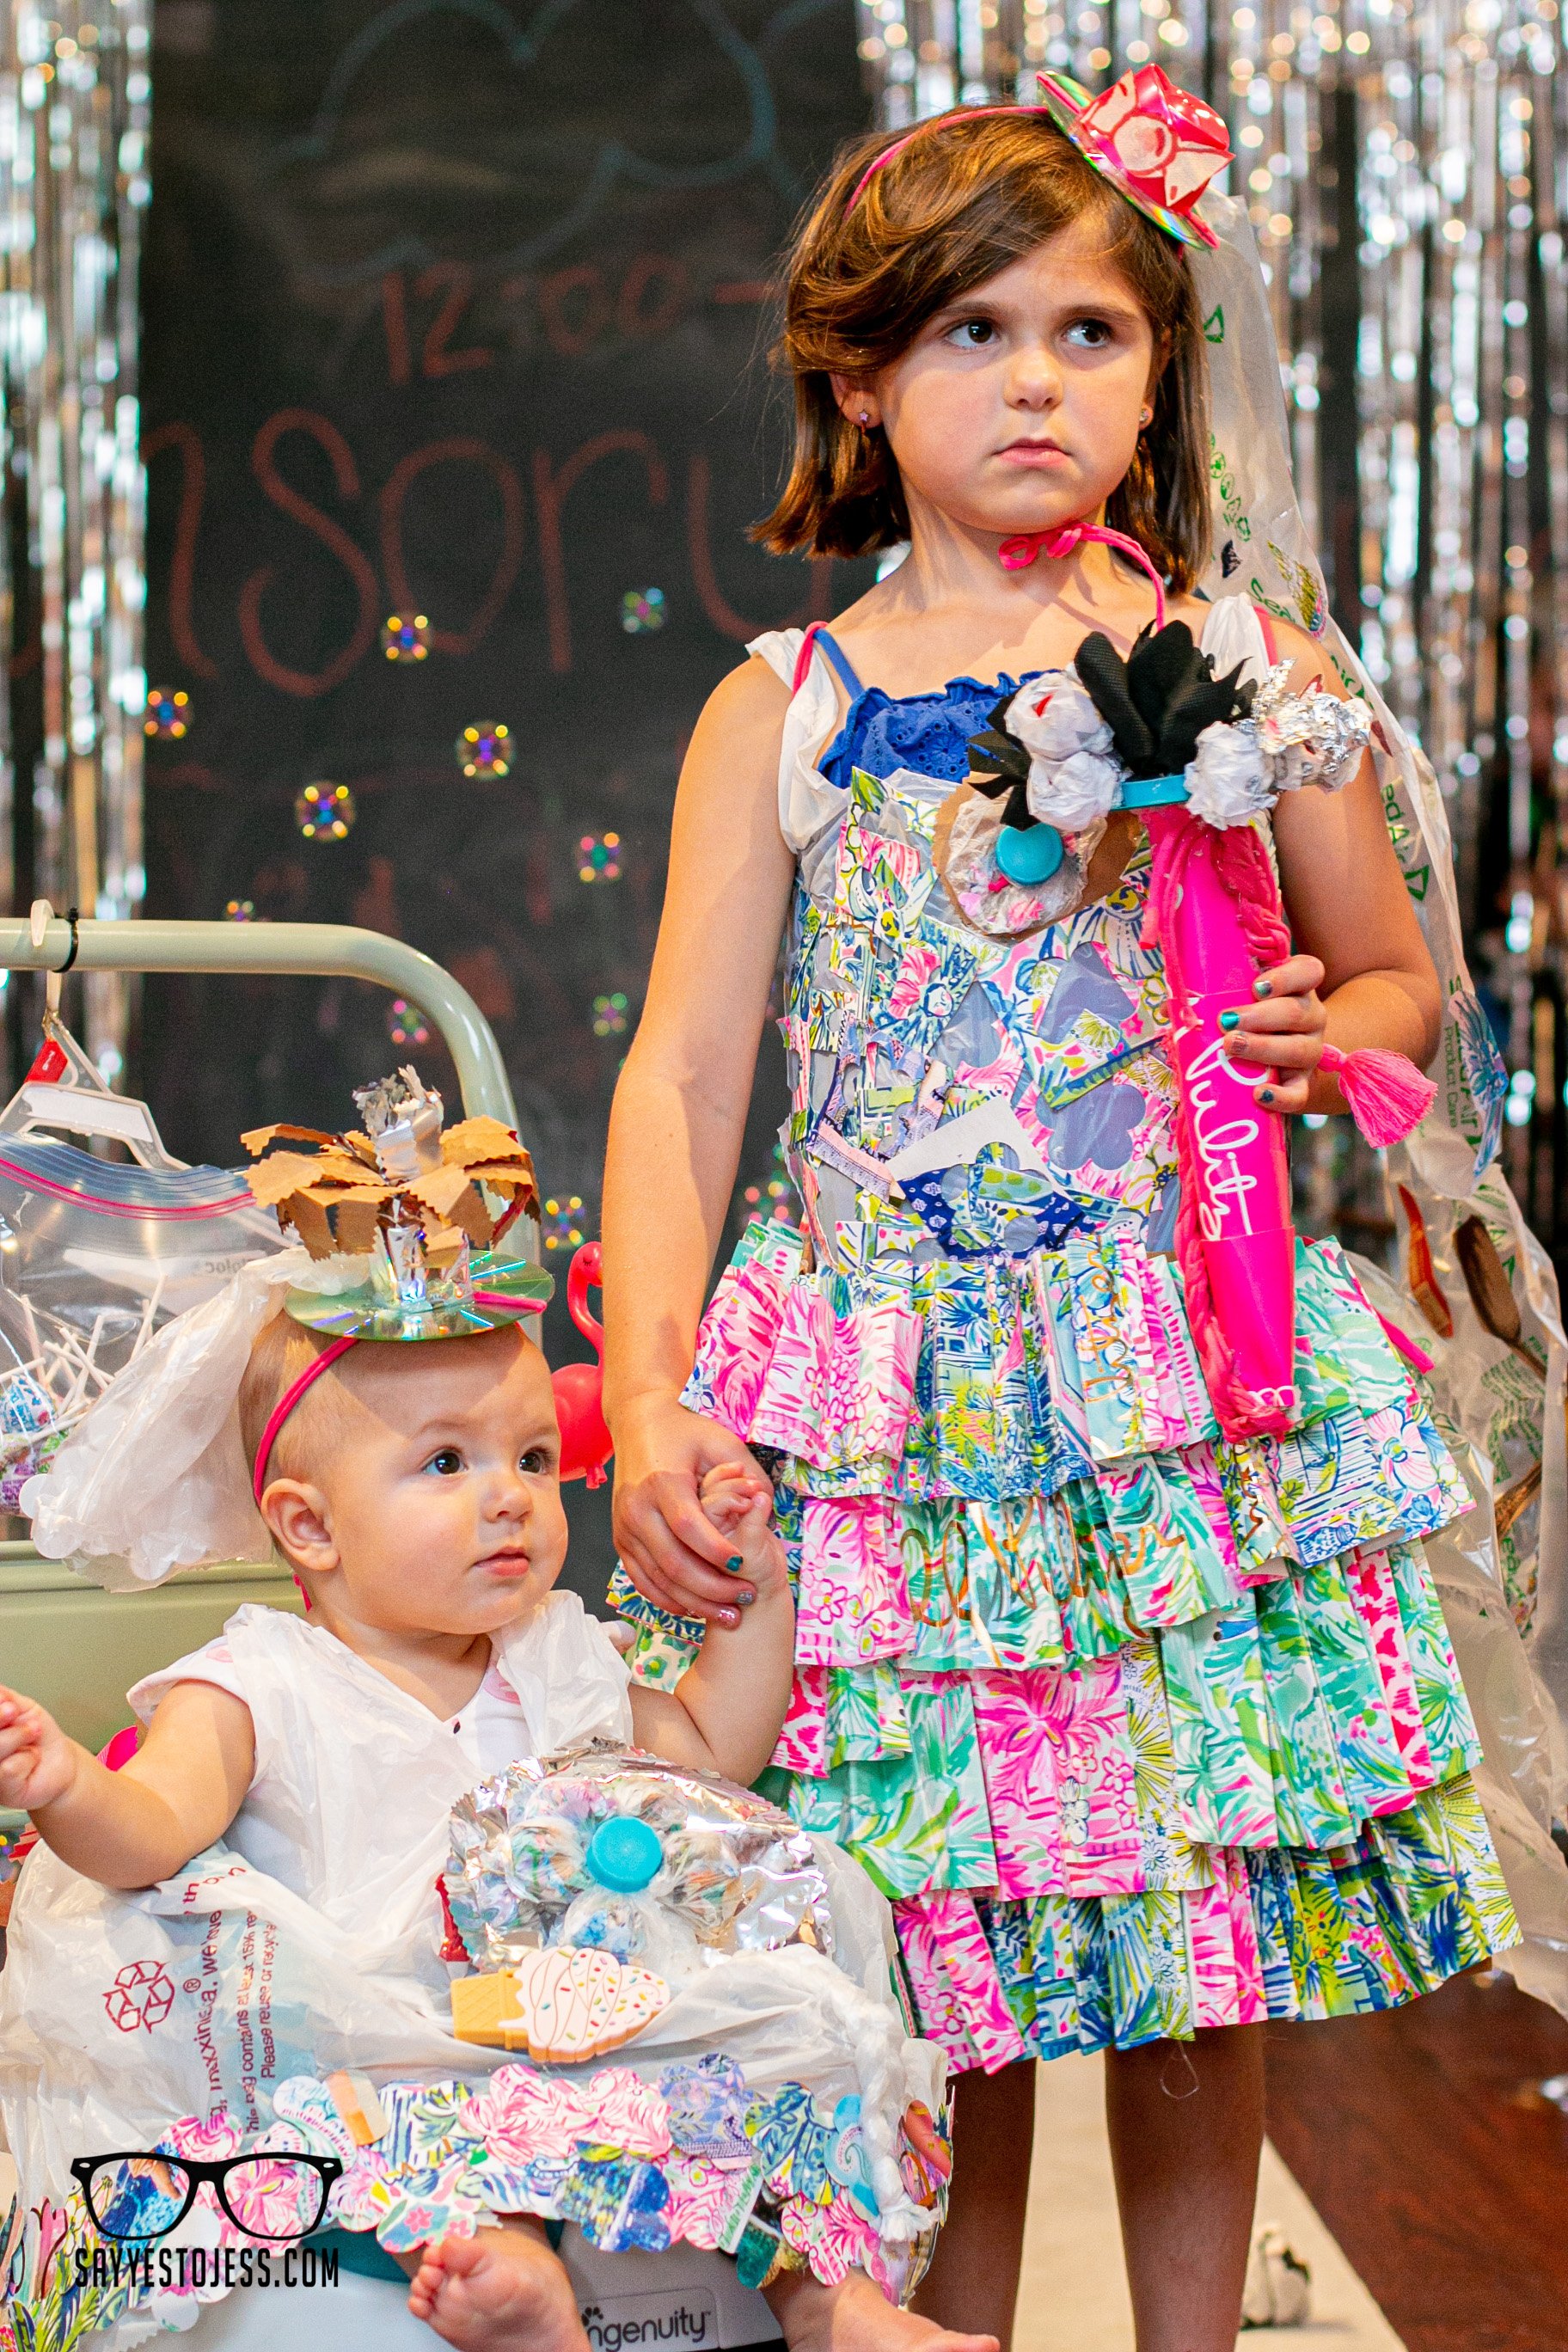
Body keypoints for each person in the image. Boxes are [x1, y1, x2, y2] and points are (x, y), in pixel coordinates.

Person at [600, 69, 1521, 2352]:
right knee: (946, 1935)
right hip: (890, 1400)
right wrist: (640, 1394)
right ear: (860, 376)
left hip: (1168, 1382)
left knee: (1194, 1930)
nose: (1035, 380)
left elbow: (1401, 984)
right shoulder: (787, 708)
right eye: (973, 333)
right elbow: (690, 1071)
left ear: (1158, 372)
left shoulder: (1243, 676)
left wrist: (1349, 1033)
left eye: (1091, 335)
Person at [0, 1082, 989, 2352]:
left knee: (758, 2047)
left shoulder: (555, 1659)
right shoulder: (261, 1683)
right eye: (447, 1465)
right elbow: (151, 1829)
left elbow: (706, 1758)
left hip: (594, 2015)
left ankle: (824, 2303)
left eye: (531, 1457)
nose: (513, 1499)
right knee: (391, 2121)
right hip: (393, 2032)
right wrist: (68, 1782)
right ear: (309, 1524)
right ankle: (515, 2281)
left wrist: (757, 1591)